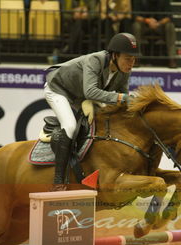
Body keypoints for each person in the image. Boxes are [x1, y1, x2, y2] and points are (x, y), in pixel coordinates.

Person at [44, 32, 140, 191]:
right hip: (58, 89)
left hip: (79, 95)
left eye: (134, 59)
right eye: (128, 58)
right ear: (114, 55)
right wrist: (123, 98)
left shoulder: (124, 71)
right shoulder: (95, 60)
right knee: (69, 126)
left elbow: (122, 97)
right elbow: (91, 92)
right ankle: (58, 181)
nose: (132, 63)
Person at [132, 0, 178, 68]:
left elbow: (169, 17)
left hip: (160, 25)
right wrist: (147, 21)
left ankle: (172, 58)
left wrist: (158, 23)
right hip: (144, 25)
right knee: (136, 26)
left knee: (170, 26)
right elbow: (135, 16)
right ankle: (135, 57)